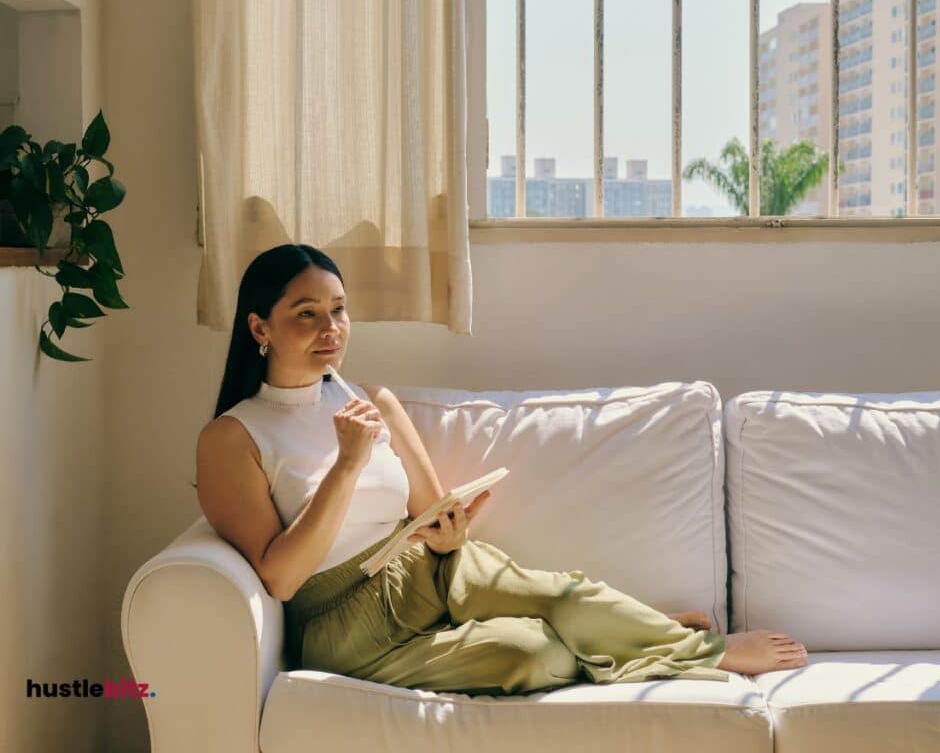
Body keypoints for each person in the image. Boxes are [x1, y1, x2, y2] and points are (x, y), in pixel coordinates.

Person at [195, 243, 807, 697]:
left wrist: (450, 530)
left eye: (339, 309)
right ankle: (624, 634)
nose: (331, 329)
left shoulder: (373, 399)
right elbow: (279, 579)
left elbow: (433, 514)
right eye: (307, 313)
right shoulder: (231, 438)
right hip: (345, 622)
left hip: (423, 564)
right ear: (259, 327)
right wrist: (346, 467)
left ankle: (697, 651)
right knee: (530, 656)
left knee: (564, 592)